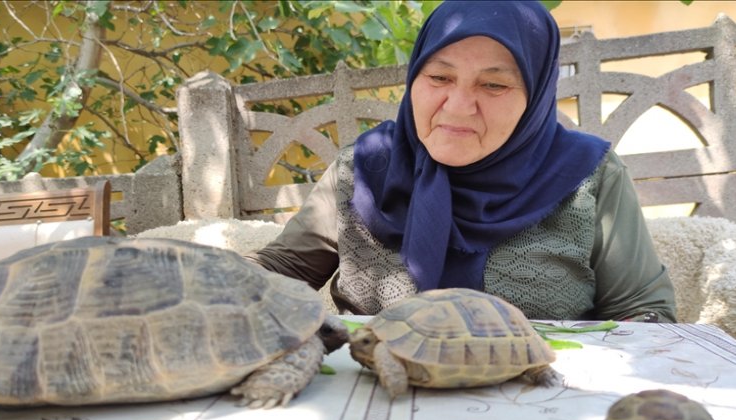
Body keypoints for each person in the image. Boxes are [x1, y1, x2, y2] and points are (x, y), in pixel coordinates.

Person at [246, 0, 676, 322]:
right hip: (381, 397)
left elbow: (643, 313)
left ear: (536, 96)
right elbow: (280, 272)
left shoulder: (587, 175)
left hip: (540, 403)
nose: (457, 106)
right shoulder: (365, 168)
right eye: (438, 77)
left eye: (493, 85)